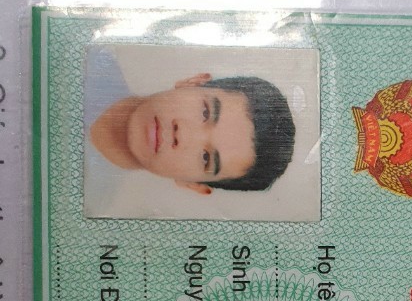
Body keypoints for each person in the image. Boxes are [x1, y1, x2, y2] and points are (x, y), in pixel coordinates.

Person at [88, 49, 296, 195]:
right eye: (205, 112)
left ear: (193, 184)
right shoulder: (90, 61)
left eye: (206, 158)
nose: (182, 134)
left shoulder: (95, 204)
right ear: (193, 83)